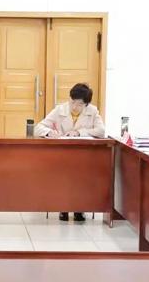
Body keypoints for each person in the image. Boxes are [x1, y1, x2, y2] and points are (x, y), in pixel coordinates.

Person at [35, 82, 105, 222]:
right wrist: (49, 132)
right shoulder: (60, 109)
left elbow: (101, 131)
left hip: (84, 156)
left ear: (86, 104)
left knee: (82, 176)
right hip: (62, 154)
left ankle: (80, 208)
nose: (74, 107)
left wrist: (79, 132)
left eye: (79, 104)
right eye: (72, 102)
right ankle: (64, 207)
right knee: (64, 176)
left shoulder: (93, 111)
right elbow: (39, 127)